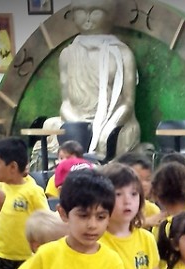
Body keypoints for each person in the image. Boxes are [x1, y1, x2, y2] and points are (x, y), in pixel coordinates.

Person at [53, 0, 140, 158]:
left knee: (120, 138)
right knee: (51, 127)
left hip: (112, 121)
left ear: (109, 15)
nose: (87, 18)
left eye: (95, 11)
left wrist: (108, 126)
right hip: (78, 120)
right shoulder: (67, 54)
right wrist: (79, 126)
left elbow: (128, 102)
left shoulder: (123, 54)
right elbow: (65, 103)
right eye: (81, 11)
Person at [0, 137, 49, 269]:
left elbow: (45, 223)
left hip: (27, 258)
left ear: (13, 167)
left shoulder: (32, 192)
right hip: (1, 258)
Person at [114, 151, 161, 227]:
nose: (144, 184)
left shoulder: (152, 210)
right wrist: (145, 222)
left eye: (148, 179)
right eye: (137, 178)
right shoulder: (111, 207)